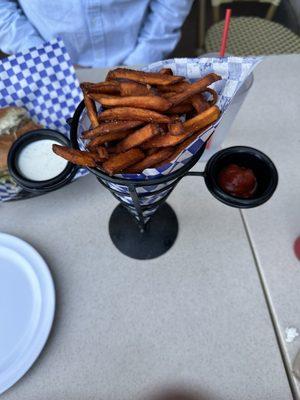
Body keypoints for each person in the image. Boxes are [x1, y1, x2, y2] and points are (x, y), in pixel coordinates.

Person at [0, 0, 193, 67]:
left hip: (143, 59)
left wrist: (144, 55)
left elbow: (171, 4)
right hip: (45, 64)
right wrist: (46, 58)